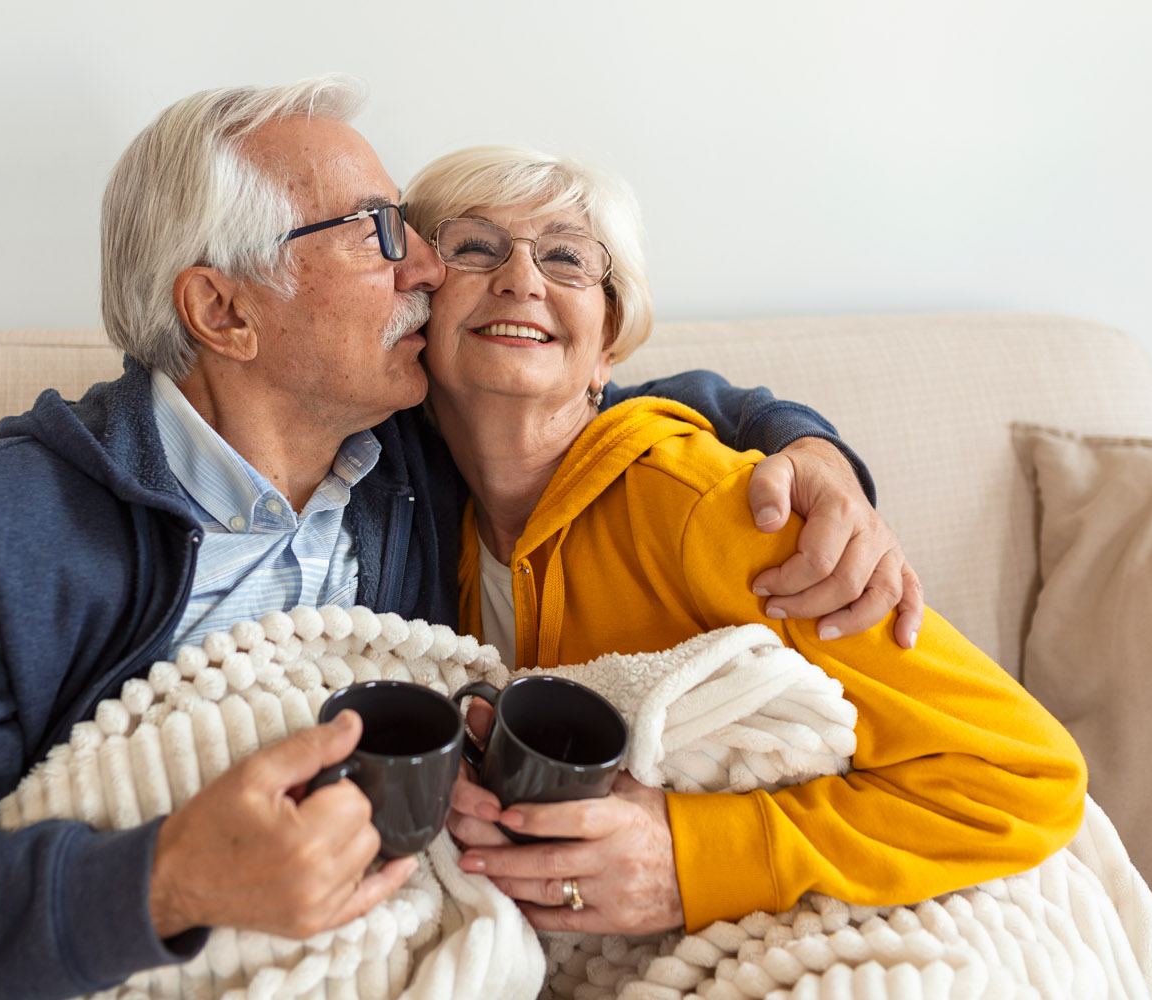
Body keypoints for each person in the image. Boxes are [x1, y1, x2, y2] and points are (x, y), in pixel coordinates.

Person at [0, 77, 914, 999]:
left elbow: (621, 390)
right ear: (223, 311)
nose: (426, 267)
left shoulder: (420, 459)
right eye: (375, 233)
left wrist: (805, 450)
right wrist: (166, 878)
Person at [402, 145, 1088, 937]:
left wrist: (695, 859)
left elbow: (1027, 772)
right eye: (475, 248)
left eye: (565, 258)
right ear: (416, 300)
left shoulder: (707, 505)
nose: (521, 279)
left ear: (610, 340)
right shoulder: (427, 521)